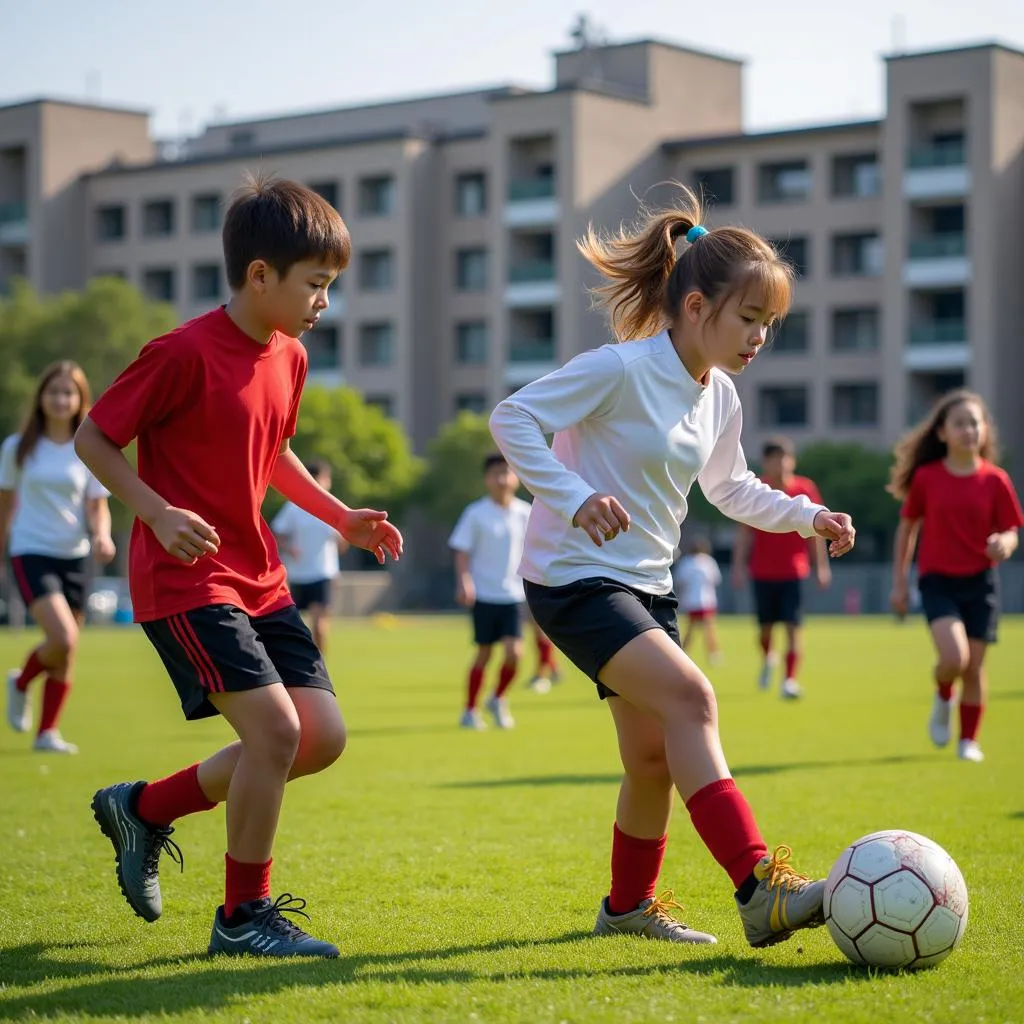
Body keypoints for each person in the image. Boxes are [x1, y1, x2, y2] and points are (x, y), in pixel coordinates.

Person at [489, 185, 856, 949]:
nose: (759, 338)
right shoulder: (619, 368)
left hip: (647, 585)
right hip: (571, 576)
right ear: (695, 307)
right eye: (748, 319)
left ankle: (626, 908)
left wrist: (807, 516)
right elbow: (513, 417)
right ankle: (760, 888)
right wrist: (576, 493)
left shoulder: (719, 394)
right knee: (692, 697)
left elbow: (728, 488)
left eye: (769, 324)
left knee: (653, 757)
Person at [74, 176, 403, 959]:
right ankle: (243, 917)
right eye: (316, 284)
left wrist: (339, 515)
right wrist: (153, 511)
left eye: (331, 286)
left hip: (261, 577)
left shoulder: (289, 357)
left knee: (318, 737)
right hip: (187, 582)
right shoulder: (180, 352)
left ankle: (145, 808)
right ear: (260, 275)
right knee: (276, 732)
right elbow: (94, 439)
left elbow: (277, 453)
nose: (326, 301)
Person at [889, 390, 1022, 763]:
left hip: (981, 582)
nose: (968, 430)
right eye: (960, 423)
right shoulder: (927, 478)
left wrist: (1004, 544)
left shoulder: (996, 480)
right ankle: (944, 692)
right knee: (954, 658)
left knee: (976, 667)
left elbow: (1011, 530)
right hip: (938, 581)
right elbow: (907, 529)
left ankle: (968, 741)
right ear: (943, 433)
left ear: (984, 431)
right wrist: (899, 583)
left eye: (975, 423)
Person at [1, 361, 116, 754]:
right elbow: (5, 506)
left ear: (80, 400)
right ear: (41, 397)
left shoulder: (89, 446)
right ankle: (20, 683)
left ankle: (47, 733)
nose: (61, 399)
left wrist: (101, 536)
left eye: (69, 392)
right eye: (54, 391)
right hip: (30, 549)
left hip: (75, 555)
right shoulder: (17, 448)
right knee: (62, 636)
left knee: (68, 649)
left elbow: (97, 505)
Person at [731, 437, 829, 699]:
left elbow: (816, 531)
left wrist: (821, 566)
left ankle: (789, 680)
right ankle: (768, 658)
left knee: (793, 625)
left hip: (794, 571)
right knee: (764, 630)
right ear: (765, 461)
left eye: (785, 457)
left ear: (792, 460)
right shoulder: (758, 488)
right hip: (762, 571)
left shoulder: (804, 488)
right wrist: (738, 566)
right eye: (775, 458)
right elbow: (744, 533)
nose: (780, 463)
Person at [449, 452, 532, 729]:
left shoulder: (526, 513)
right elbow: (461, 549)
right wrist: (464, 580)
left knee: (515, 654)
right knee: (484, 653)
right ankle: (470, 710)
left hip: (514, 595)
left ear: (516, 477)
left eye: (507, 472)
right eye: (495, 474)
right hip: (484, 594)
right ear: (486, 479)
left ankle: (497, 698)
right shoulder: (476, 513)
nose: (502, 479)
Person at [271, 459, 349, 653]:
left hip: (323, 573)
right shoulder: (294, 507)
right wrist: (290, 549)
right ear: (322, 479)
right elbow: (277, 533)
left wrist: (334, 566)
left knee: (320, 625)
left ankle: (319, 667)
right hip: (298, 574)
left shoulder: (331, 507)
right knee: (296, 627)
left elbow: (341, 540)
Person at [673, 537, 722, 666]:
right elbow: (715, 579)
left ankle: (683, 653)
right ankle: (713, 655)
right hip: (706, 600)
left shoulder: (686, 562)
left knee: (690, 629)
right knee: (710, 629)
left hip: (691, 601)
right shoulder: (709, 561)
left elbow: (679, 581)